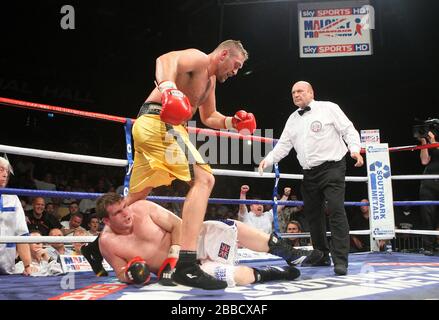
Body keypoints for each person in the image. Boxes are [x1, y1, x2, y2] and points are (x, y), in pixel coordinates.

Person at [82, 40, 257, 289]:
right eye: (236, 65)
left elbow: (209, 117)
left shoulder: (210, 81)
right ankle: (186, 265)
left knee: (138, 194)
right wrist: (169, 89)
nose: (235, 71)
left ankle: (93, 247)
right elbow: (164, 60)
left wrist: (233, 123)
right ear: (224, 54)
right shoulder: (197, 58)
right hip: (160, 122)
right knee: (205, 179)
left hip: (151, 126)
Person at [96, 193, 323, 287]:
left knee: (231, 226)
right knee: (237, 279)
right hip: (182, 273)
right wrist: (135, 274)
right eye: (118, 213)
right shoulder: (107, 243)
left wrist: (175, 255)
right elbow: (120, 271)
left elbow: (179, 225)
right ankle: (276, 273)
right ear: (106, 221)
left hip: (194, 243)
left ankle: (291, 255)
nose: (126, 214)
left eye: (125, 207)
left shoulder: (142, 209)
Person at [258, 81, 364, 276]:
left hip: (333, 167)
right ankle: (322, 254)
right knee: (313, 215)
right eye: (293, 92)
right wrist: (268, 160)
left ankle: (341, 260)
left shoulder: (329, 108)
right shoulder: (292, 119)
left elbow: (348, 130)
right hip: (309, 172)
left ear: (311, 92)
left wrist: (355, 150)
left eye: (300, 91)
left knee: (335, 209)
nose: (296, 95)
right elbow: (283, 145)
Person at [0, 156, 33, 275]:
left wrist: (27, 265)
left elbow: (21, 233)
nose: (5, 174)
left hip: (6, 264)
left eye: (7, 171)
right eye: (0, 170)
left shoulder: (13, 199)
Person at [418, 130, 439, 255]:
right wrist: (424, 143)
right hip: (429, 183)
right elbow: (424, 161)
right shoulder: (431, 144)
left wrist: (433, 142)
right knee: (427, 215)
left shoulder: (435, 143)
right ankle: (428, 246)